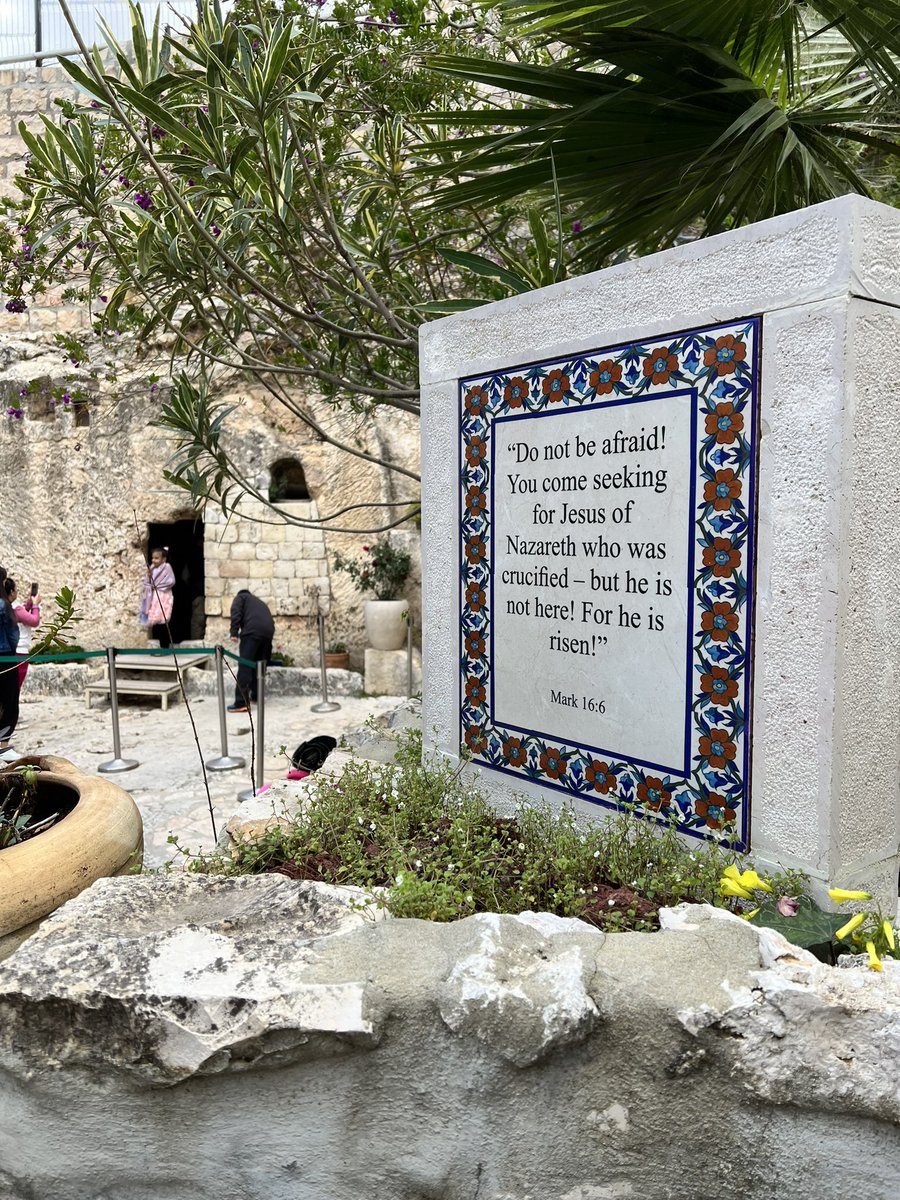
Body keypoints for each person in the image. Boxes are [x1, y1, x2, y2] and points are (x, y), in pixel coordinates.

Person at [228, 589, 275, 712]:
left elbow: (236, 611)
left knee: (245, 665)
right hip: (268, 632)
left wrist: (234, 632)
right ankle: (257, 696)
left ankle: (241, 702)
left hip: (252, 632)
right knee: (258, 665)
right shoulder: (259, 602)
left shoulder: (241, 598)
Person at [0, 569, 21, 762]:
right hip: (5, 657)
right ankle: (3, 746)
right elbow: (13, 634)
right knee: (9, 702)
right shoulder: (3, 605)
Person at [8, 579, 41, 690]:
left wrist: (29, 603)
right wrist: (35, 605)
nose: (17, 592)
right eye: (16, 590)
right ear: (12, 592)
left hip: (9, 651)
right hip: (19, 652)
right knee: (14, 688)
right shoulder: (16, 609)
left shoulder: (6, 606)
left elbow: (23, 613)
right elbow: (34, 621)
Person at [141, 547, 176, 648]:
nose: (153, 560)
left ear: (163, 559)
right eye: (153, 558)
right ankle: (161, 646)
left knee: (163, 622)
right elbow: (147, 582)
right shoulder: (152, 568)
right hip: (155, 597)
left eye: (156, 558)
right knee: (156, 621)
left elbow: (171, 581)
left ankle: (165, 646)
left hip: (164, 597)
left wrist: (157, 586)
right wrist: (149, 577)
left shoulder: (167, 567)